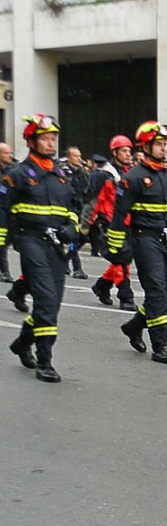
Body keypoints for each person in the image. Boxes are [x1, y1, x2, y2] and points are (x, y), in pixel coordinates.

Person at [1, 114, 78, 382]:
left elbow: (73, 207)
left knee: (52, 304)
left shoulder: (61, 174)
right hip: (30, 240)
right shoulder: (18, 175)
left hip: (56, 244)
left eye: (54, 138)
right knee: (45, 299)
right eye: (45, 138)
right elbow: (3, 211)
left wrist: (72, 227)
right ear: (32, 142)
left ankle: (23, 342)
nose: (51, 143)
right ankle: (45, 360)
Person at [109, 122, 167, 364]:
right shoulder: (132, 178)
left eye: (165, 144)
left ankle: (134, 326)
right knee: (156, 291)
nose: (164, 148)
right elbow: (119, 216)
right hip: (145, 239)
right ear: (145, 147)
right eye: (158, 144)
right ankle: (160, 345)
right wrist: (116, 248)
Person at [90, 136, 138, 311]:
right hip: (110, 223)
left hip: (128, 222)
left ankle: (102, 286)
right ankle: (126, 297)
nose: (128, 154)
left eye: (129, 151)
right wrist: (88, 224)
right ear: (115, 153)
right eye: (124, 151)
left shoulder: (130, 173)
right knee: (121, 260)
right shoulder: (105, 175)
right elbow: (94, 201)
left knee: (123, 259)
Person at [61, 146, 90, 279]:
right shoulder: (64, 172)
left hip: (80, 209)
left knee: (83, 237)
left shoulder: (82, 173)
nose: (79, 159)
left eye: (79, 156)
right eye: (75, 156)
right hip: (67, 209)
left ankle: (63, 261)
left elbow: (87, 190)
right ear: (69, 158)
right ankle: (77, 267)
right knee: (73, 238)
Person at [0, 142, 16, 283]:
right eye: (7, 153)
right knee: (1, 242)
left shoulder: (13, 170)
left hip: (10, 211)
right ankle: (5, 271)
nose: (10, 156)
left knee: (5, 241)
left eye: (11, 153)